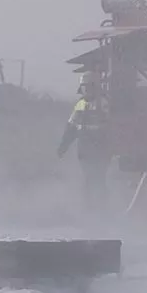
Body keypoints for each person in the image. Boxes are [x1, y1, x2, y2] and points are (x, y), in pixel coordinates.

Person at [57, 71, 113, 214]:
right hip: (84, 149)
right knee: (88, 179)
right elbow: (71, 126)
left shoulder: (104, 103)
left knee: (98, 179)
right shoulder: (80, 104)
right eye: (84, 87)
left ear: (96, 87)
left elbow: (111, 126)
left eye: (89, 87)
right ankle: (89, 210)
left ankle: (101, 210)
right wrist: (64, 145)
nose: (86, 90)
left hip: (100, 148)